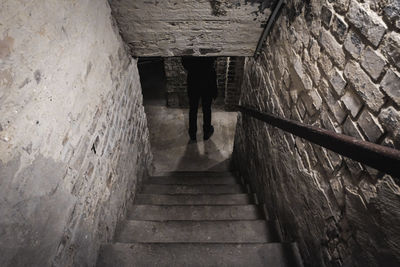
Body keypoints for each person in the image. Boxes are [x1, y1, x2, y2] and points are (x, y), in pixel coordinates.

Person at [181, 56, 217, 141]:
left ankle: (192, 133)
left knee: (193, 109)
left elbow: (184, 62)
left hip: (194, 79)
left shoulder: (190, 46)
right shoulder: (209, 45)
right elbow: (215, 57)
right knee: (207, 108)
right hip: (207, 79)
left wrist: (193, 69)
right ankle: (206, 132)